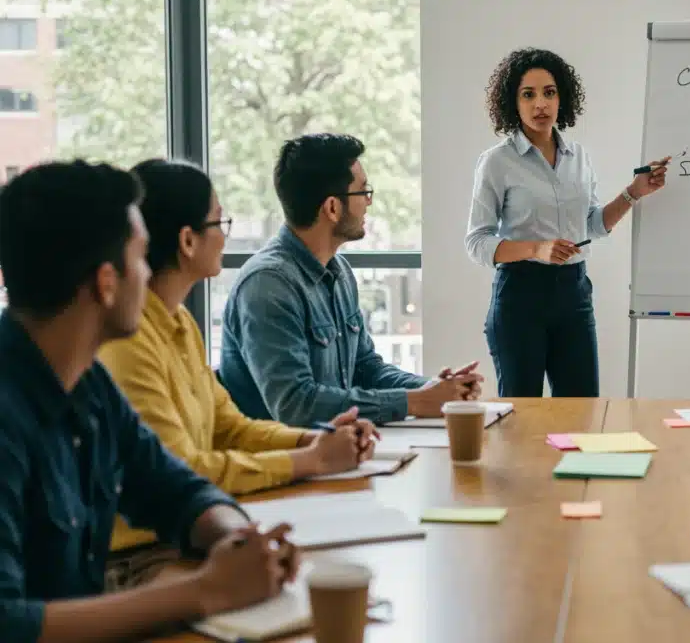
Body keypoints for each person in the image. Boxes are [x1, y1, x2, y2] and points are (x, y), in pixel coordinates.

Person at [0, 161, 299, 642]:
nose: (149, 272)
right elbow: (9, 624)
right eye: (140, 258)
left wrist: (238, 540)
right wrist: (204, 590)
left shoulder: (88, 382)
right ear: (106, 282)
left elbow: (171, 487)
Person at [96, 159, 378, 580]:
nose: (226, 234)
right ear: (188, 241)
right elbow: (183, 472)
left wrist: (314, 439)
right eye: (219, 221)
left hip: (195, 535)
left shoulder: (179, 324)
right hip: (147, 555)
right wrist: (309, 461)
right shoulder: (128, 344)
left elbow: (230, 428)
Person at [220, 134, 483, 424]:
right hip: (281, 462)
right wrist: (416, 402)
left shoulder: (339, 271)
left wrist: (433, 389)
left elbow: (365, 368)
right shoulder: (267, 285)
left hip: (336, 452)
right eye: (363, 192)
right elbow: (296, 404)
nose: (369, 202)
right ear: (332, 208)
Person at [465, 48, 670, 397]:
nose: (540, 104)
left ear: (563, 98)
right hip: (520, 298)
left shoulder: (580, 157)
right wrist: (536, 248)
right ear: (512, 103)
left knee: (581, 413)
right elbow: (477, 242)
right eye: (528, 95)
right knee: (523, 418)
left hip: (573, 295)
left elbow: (591, 225)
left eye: (549, 92)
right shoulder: (496, 162)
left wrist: (634, 192)